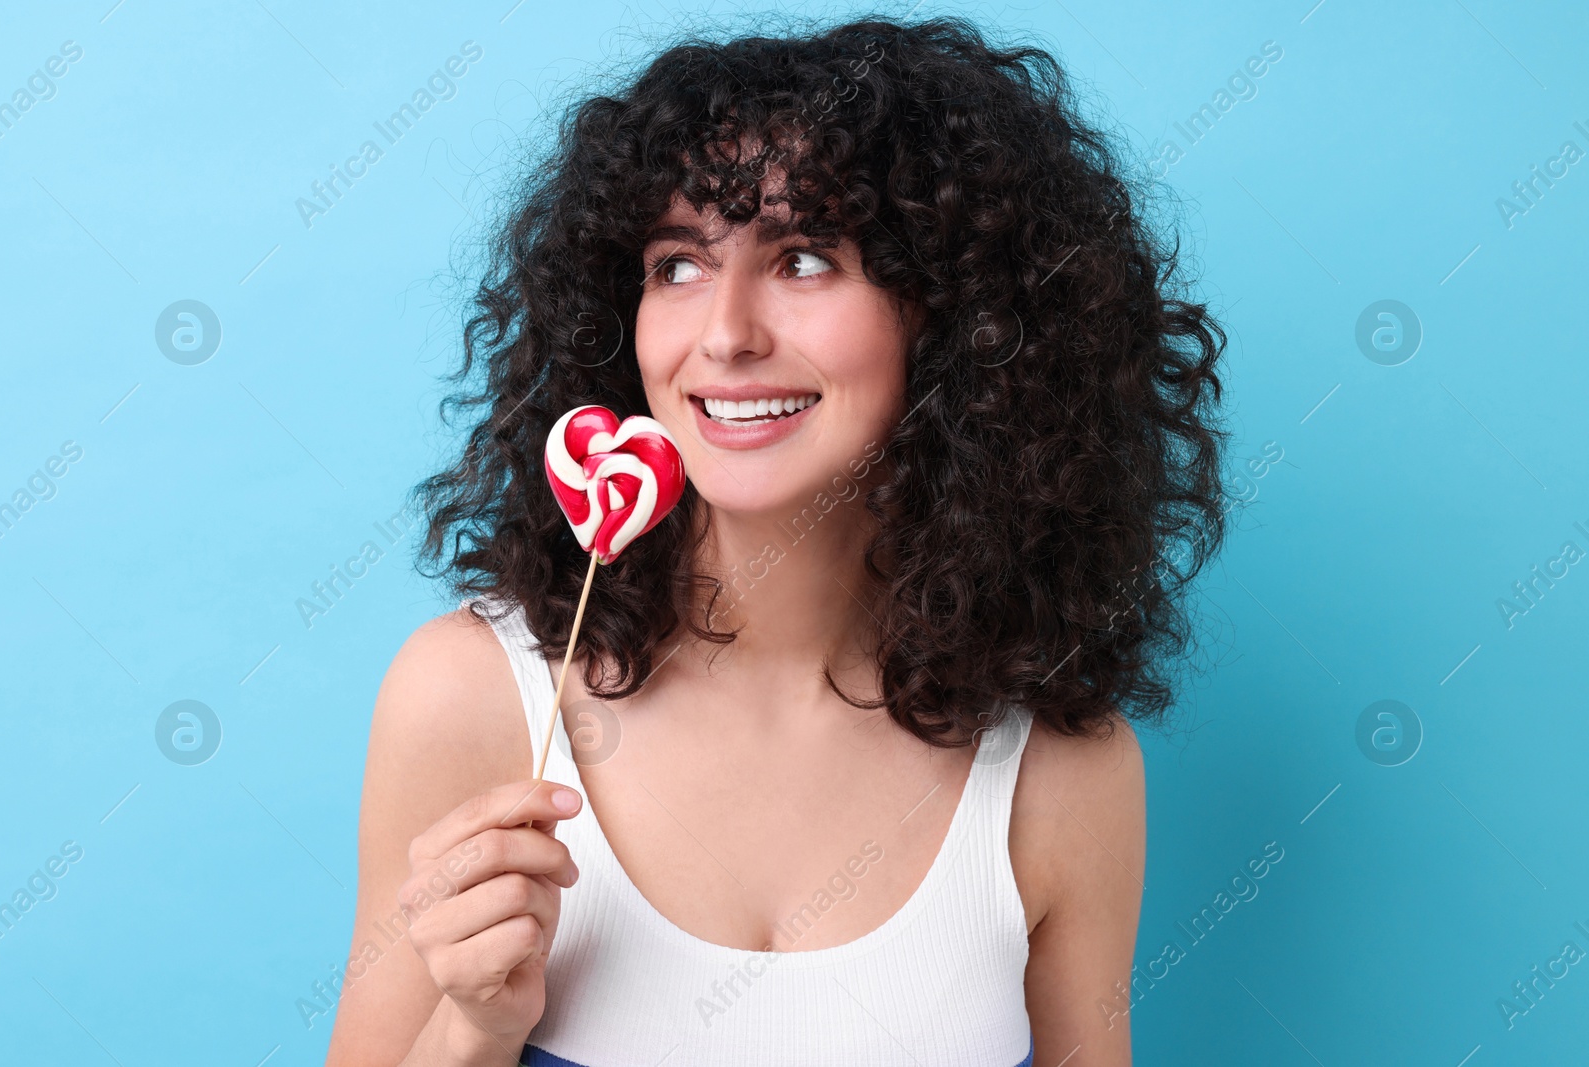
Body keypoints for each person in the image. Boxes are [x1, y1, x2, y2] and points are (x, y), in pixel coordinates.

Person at [326, 15, 1229, 1066]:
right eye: (676, 265)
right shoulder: (471, 695)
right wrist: (477, 1023)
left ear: (959, 319)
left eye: (802, 258)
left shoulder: (1059, 771)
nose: (724, 333)